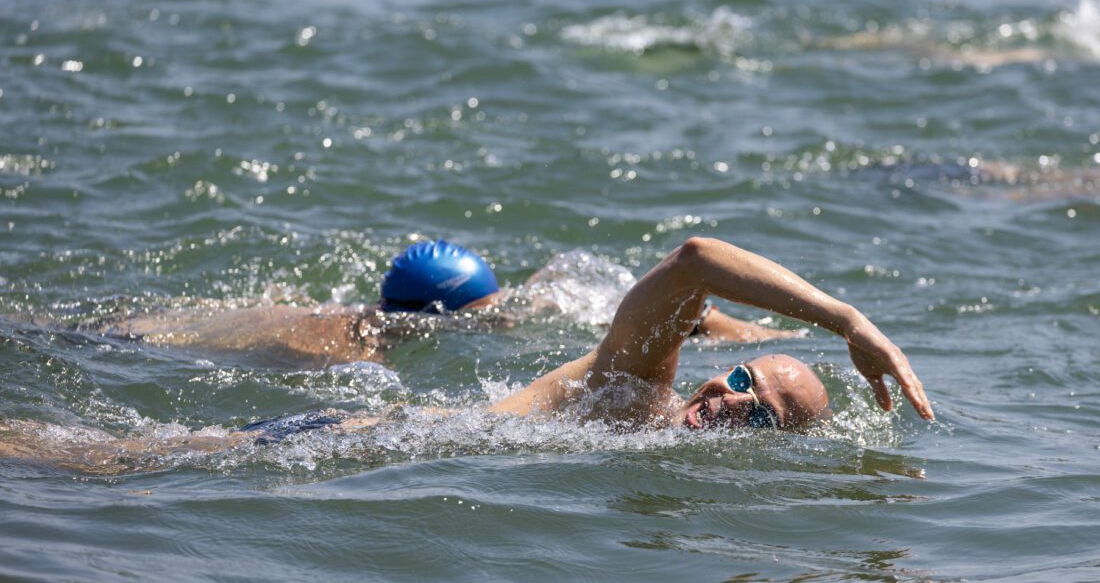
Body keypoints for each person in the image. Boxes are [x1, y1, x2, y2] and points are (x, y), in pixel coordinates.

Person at [0, 238, 932, 473]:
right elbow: (693, 263)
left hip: (358, 449)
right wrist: (845, 317)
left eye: (759, 411)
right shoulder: (633, 397)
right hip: (338, 436)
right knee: (104, 462)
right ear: (705, 371)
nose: (732, 400)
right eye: (738, 379)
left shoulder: (650, 440)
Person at [88, 239, 804, 366]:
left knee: (110, 332)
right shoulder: (551, 292)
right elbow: (689, 306)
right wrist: (767, 337)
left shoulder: (331, 321)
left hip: (198, 323)